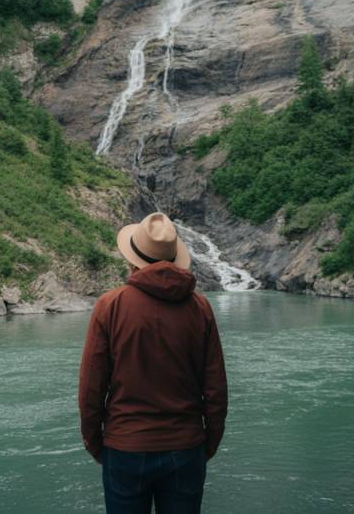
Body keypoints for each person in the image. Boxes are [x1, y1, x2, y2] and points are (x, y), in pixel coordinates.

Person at [78, 212, 228, 514]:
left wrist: (97, 444)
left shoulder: (110, 306)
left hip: (124, 448)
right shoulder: (200, 308)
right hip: (186, 448)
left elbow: (91, 389)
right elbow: (216, 389)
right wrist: (206, 443)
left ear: (133, 260)